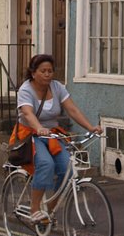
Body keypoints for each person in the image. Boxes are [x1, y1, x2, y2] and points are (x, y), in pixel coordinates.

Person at [12, 54, 100, 223]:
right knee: (46, 163)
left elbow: (72, 110)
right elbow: (27, 113)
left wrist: (91, 128)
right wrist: (39, 128)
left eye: (50, 71)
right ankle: (35, 209)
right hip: (31, 134)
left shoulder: (57, 87)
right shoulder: (25, 90)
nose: (47, 74)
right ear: (33, 73)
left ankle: (49, 210)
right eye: (43, 71)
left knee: (67, 167)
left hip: (52, 134)